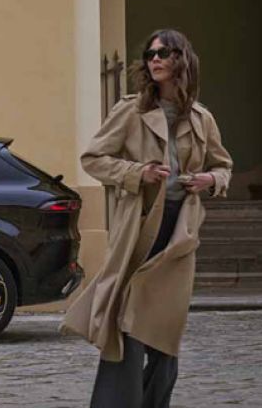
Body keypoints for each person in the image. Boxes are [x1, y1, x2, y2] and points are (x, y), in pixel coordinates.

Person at [60, 29, 234, 407]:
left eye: (164, 52)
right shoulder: (131, 110)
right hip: (139, 228)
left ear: (181, 60)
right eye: (150, 53)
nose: (155, 58)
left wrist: (210, 180)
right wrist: (137, 173)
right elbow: (93, 159)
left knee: (165, 328)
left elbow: (223, 166)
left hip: (179, 232)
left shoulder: (202, 118)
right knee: (128, 322)